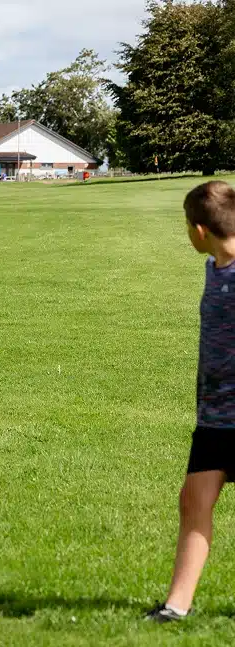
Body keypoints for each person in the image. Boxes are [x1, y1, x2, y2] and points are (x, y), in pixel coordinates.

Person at [147, 180, 235, 622]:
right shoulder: (216, 267)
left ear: (199, 230)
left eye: (186, 224)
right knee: (193, 501)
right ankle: (176, 607)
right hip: (216, 416)